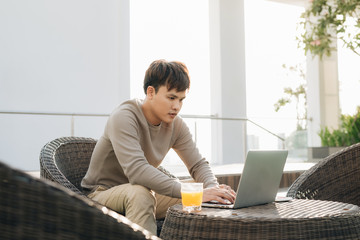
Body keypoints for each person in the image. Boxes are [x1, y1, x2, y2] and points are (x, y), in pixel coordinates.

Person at [81, 59, 236, 235]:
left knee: (201, 188)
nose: (176, 106)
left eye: (181, 99)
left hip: (144, 191)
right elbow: (137, 170)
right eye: (171, 98)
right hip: (100, 195)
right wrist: (196, 192)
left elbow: (198, 164)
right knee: (140, 193)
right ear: (151, 92)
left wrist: (214, 190)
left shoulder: (176, 125)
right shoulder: (124, 116)